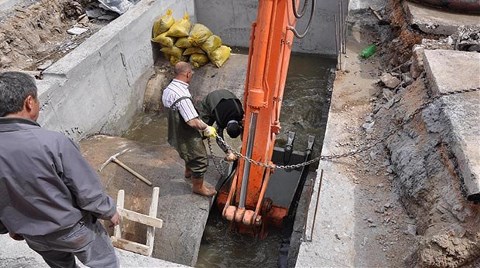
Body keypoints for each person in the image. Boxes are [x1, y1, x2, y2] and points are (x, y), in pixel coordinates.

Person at [0, 71, 120, 268]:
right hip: (72, 230)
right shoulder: (52, 143)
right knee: (104, 262)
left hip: (32, 235)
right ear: (29, 102)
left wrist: (10, 225)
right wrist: (109, 211)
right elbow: (86, 190)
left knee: (60, 265)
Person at [162, 62, 218, 197]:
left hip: (174, 130)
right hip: (185, 131)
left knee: (186, 152)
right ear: (187, 74)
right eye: (191, 73)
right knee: (199, 158)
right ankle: (198, 187)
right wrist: (207, 128)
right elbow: (192, 122)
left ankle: (188, 172)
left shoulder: (169, 89)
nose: (191, 75)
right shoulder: (182, 96)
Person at [200, 89, 244, 161]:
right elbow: (219, 138)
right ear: (226, 128)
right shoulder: (221, 121)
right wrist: (228, 152)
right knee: (204, 127)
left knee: (208, 128)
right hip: (212, 98)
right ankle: (195, 146)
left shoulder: (240, 114)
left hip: (227, 93)